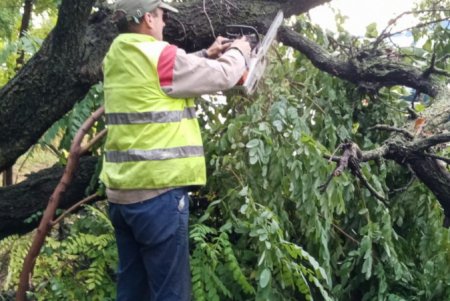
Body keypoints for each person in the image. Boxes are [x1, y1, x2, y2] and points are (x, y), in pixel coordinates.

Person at [100, 0, 251, 300]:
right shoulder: (160, 56)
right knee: (171, 293)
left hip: (121, 195)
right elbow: (223, 75)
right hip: (157, 196)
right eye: (162, 16)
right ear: (147, 19)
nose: (165, 23)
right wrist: (241, 52)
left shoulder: (115, 56)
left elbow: (157, 81)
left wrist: (203, 56)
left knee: (132, 291)